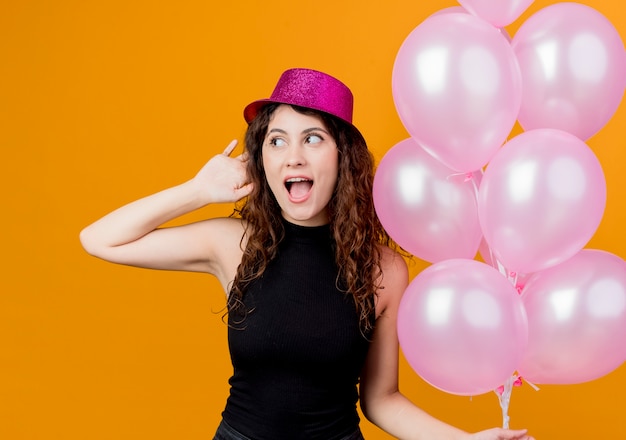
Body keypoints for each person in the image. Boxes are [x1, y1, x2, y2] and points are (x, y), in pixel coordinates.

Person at [80, 68, 534, 440]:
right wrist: (197, 191)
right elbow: (100, 239)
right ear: (262, 159)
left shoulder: (384, 270)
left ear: (343, 157)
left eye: (312, 138)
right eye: (276, 141)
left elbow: (380, 400)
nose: (292, 156)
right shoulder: (234, 244)